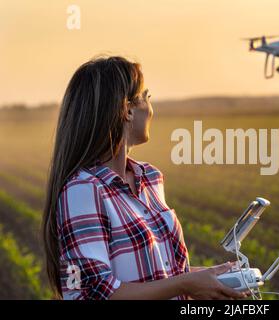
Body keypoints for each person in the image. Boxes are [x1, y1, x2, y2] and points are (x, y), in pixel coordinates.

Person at [42, 56, 248, 300]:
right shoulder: (83, 190)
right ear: (127, 109)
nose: (151, 108)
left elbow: (154, 276)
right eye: (147, 97)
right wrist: (185, 284)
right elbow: (94, 292)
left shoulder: (150, 178)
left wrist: (209, 278)